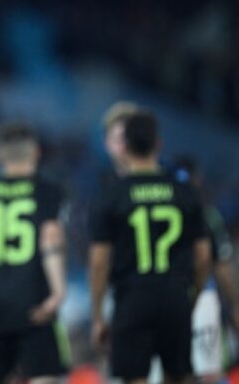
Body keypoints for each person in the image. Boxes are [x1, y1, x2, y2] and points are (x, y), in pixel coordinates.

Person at [89, 110, 211, 384]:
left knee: (135, 378)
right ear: (159, 144)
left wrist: (98, 315)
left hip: (132, 299)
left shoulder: (112, 195)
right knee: (179, 376)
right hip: (175, 294)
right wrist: (193, 294)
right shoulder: (186, 192)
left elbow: (99, 261)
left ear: (126, 146)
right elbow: (203, 257)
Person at [0, 122, 69, 384]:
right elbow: (50, 237)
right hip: (36, 302)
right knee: (43, 377)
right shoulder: (49, 191)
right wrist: (58, 292)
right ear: (36, 152)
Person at [169, 156, 239, 384]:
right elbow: (221, 265)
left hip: (167, 299)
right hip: (202, 298)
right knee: (209, 374)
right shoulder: (206, 216)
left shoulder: (160, 214)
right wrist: (236, 305)